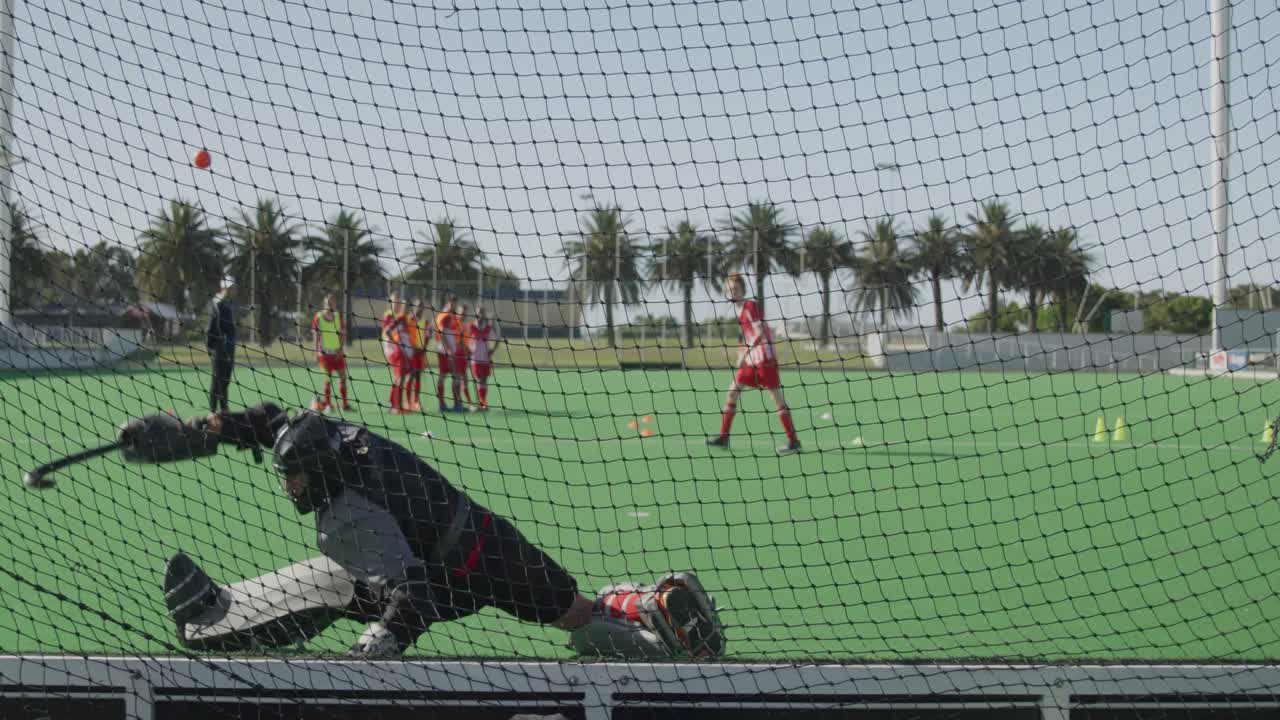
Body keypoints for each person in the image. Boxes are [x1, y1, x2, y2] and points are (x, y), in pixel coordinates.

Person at [118, 403, 725, 659]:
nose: (289, 487)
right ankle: (647, 610)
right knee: (567, 607)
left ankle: (219, 621)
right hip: (484, 533)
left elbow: (414, 593)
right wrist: (201, 432)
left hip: (446, 578)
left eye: (295, 478)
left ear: (320, 472)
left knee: (326, 586)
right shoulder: (343, 439)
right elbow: (272, 424)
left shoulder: (350, 514)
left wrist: (380, 645)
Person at [707, 273, 801, 455]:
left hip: (765, 359)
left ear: (743, 290)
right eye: (729, 290)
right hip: (752, 361)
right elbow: (749, 336)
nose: (732, 292)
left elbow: (761, 334)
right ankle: (723, 437)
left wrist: (745, 354)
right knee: (733, 391)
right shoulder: (738, 309)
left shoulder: (750, 306)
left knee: (776, 398)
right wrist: (743, 351)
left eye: (736, 289)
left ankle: (794, 441)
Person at [310, 292, 351, 412]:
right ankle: (328, 405)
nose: (331, 304)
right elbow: (316, 336)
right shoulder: (318, 317)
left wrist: (341, 350)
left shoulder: (338, 316)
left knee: (343, 377)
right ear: (324, 303)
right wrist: (316, 351)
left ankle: (345, 405)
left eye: (333, 301)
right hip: (324, 354)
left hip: (337, 353)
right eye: (328, 301)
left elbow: (343, 334)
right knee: (328, 380)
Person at [205, 276, 237, 414]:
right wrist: (211, 346)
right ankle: (212, 411)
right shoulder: (217, 304)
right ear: (226, 288)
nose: (235, 290)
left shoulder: (229, 304)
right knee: (217, 380)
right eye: (232, 287)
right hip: (220, 349)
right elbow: (211, 328)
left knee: (225, 381)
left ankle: (224, 410)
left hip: (229, 348)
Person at [380, 293, 412, 415]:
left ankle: (394, 403)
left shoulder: (403, 318)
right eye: (397, 302)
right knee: (400, 378)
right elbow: (387, 331)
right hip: (395, 351)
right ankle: (396, 406)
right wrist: (396, 344)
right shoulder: (396, 317)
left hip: (401, 351)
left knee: (399, 377)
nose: (400, 305)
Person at [434, 293, 464, 412]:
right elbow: (441, 332)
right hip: (446, 352)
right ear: (452, 302)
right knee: (452, 376)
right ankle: (454, 404)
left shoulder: (447, 314)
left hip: (445, 350)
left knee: (446, 376)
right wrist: (449, 349)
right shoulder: (446, 315)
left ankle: (446, 404)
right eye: (456, 303)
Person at [466, 307, 499, 411]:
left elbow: (497, 338)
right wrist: (468, 350)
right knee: (479, 379)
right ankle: (481, 402)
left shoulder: (488, 327)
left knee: (484, 379)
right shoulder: (471, 326)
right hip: (475, 358)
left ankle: (483, 402)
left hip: (485, 358)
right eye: (478, 313)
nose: (480, 315)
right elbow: (464, 339)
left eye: (482, 313)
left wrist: (493, 350)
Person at [407, 299, 432, 412]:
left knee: (417, 377)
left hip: (420, 352)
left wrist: (424, 348)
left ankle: (416, 402)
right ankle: (408, 402)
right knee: (409, 376)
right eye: (417, 306)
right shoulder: (408, 319)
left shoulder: (425, 321)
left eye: (421, 306)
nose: (420, 309)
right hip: (410, 352)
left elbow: (428, 336)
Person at [456, 304, 475, 408]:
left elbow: (468, 340)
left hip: (464, 354)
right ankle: (460, 402)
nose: (463, 314)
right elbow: (459, 341)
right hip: (458, 354)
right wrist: (467, 350)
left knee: (464, 378)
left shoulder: (465, 325)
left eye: (465, 312)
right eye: (462, 312)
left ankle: (468, 402)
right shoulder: (457, 324)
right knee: (460, 378)